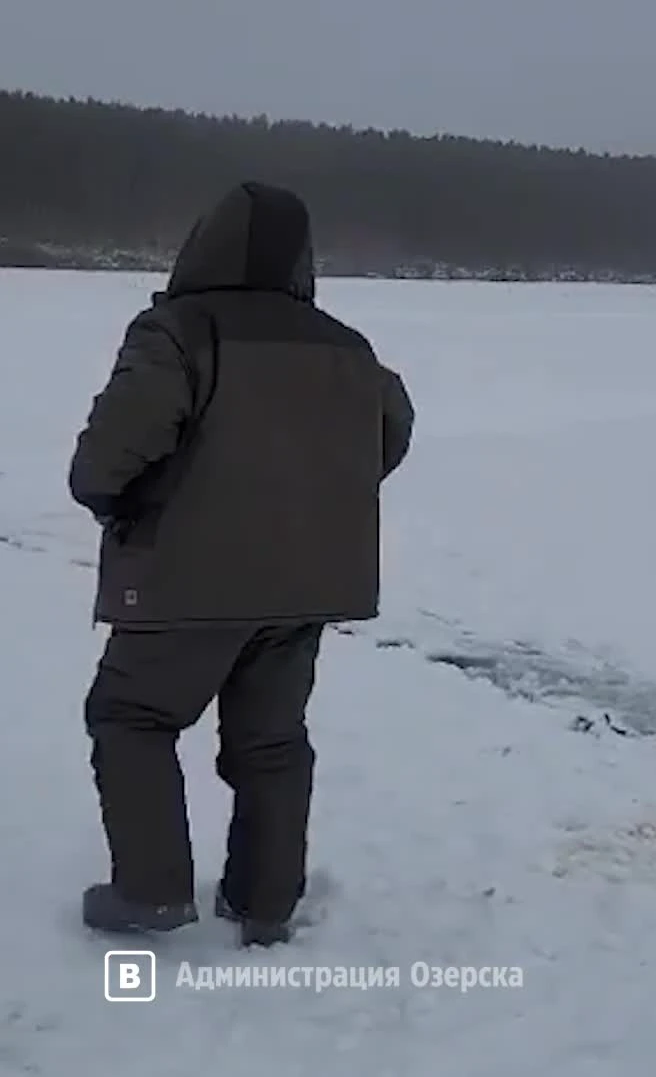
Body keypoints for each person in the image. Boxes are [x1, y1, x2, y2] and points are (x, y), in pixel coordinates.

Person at [68, 181, 414, 946]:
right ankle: (264, 904)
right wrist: (312, 506)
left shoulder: (178, 331)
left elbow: (112, 451)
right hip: (308, 581)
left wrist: (113, 500)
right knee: (271, 740)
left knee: (131, 716)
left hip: (186, 576)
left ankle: (150, 894)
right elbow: (390, 431)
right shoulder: (345, 344)